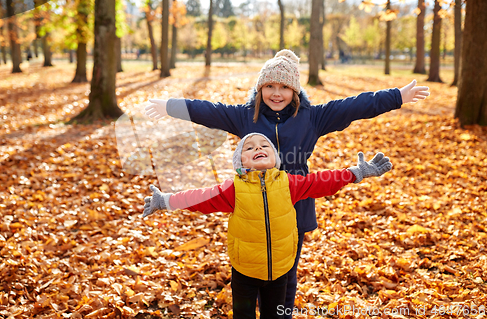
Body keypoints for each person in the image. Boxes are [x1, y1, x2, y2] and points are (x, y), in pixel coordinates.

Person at [144, 49, 429, 317]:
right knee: (255, 272)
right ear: (260, 89)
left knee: (285, 275)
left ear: (294, 90)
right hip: (251, 203)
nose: (276, 93)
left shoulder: (312, 117)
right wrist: (169, 105)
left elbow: (355, 106)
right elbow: (207, 110)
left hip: (296, 199)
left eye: (284, 87)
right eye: (270, 86)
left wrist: (397, 97)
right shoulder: (246, 116)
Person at [143, 133, 393, 319]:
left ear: (275, 159)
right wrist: (164, 200)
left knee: (274, 315)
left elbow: (321, 181)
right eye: (249, 147)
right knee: (243, 315)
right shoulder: (234, 189)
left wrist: (356, 172)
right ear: (240, 162)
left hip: (281, 268)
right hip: (245, 269)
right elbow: (199, 197)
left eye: (265, 146)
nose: (258, 148)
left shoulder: (289, 183)